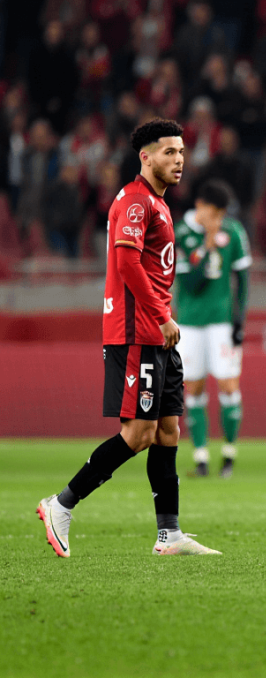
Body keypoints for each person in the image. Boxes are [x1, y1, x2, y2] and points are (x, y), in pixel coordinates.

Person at [36, 119, 220, 557]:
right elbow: (127, 265)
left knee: (169, 430)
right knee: (138, 433)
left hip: (157, 333)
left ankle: (169, 534)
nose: (179, 159)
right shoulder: (137, 202)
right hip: (137, 332)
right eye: (169, 152)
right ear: (145, 156)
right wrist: (161, 315)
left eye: (181, 152)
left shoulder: (156, 202)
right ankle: (61, 503)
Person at [175, 179, 251, 479]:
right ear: (201, 207)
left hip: (221, 323)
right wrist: (206, 246)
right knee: (192, 388)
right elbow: (191, 285)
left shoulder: (233, 232)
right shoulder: (181, 233)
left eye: (222, 214)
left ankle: (229, 456)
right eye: (215, 213)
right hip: (190, 323)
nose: (219, 220)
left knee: (229, 385)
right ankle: (202, 458)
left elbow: (242, 280)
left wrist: (239, 321)